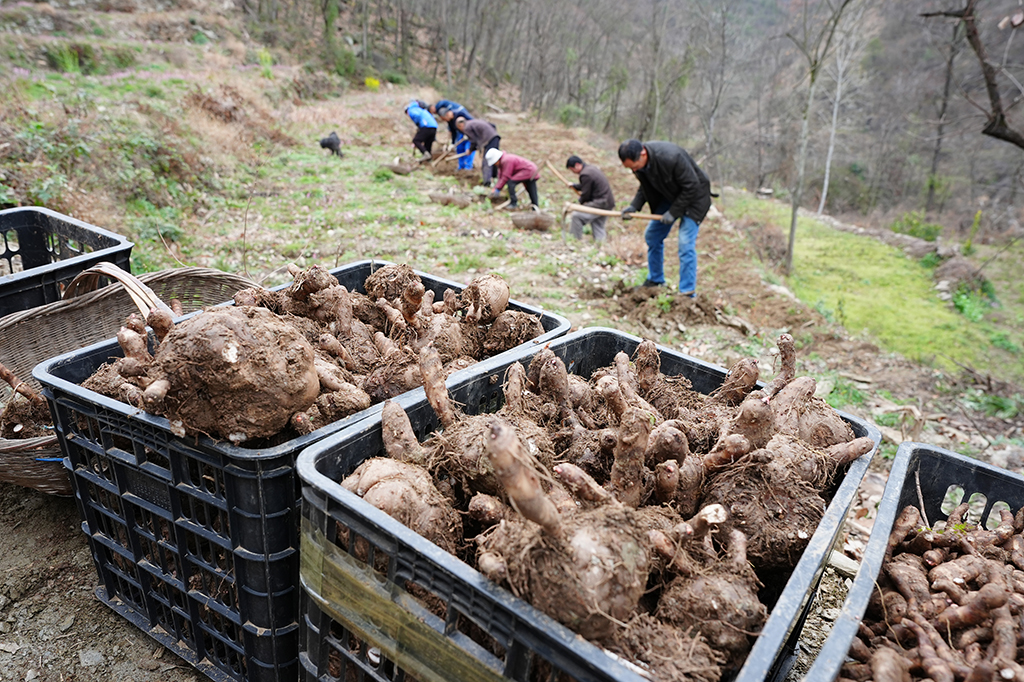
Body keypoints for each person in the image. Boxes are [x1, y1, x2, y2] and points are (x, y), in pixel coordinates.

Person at [618, 139, 712, 296]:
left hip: (695, 198)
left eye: (634, 167)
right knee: (652, 235)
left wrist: (673, 213)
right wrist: (635, 206)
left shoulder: (671, 157)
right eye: (630, 168)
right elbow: (645, 186)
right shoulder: (640, 165)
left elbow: (692, 186)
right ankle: (656, 280)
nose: (633, 171)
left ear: (642, 154)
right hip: (671, 195)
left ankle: (687, 292)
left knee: (685, 243)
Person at [565, 155, 615, 243]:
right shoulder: (591, 169)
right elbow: (586, 186)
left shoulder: (585, 174)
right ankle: (601, 246)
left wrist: (579, 204)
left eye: (572, 169)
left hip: (600, 203)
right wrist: (574, 186)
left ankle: (574, 241)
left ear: (577, 165)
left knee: (577, 216)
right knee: (598, 224)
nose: (572, 172)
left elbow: (586, 194)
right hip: (607, 202)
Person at [455, 116, 500, 186]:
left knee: (487, 160)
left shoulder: (467, 128)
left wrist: (470, 150)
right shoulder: (472, 123)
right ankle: (495, 178)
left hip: (489, 139)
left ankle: (487, 182)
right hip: (495, 137)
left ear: (460, 125)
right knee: (494, 158)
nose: (461, 130)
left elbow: (473, 140)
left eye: (460, 128)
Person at [431, 100, 475, 170]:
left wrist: (470, 132)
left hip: (471, 134)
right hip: (462, 134)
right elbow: (453, 132)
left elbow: (473, 121)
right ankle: (461, 166)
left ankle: (468, 167)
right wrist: (452, 143)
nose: (446, 120)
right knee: (459, 148)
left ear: (447, 114)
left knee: (468, 148)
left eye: (445, 119)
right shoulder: (450, 121)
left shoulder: (460, 113)